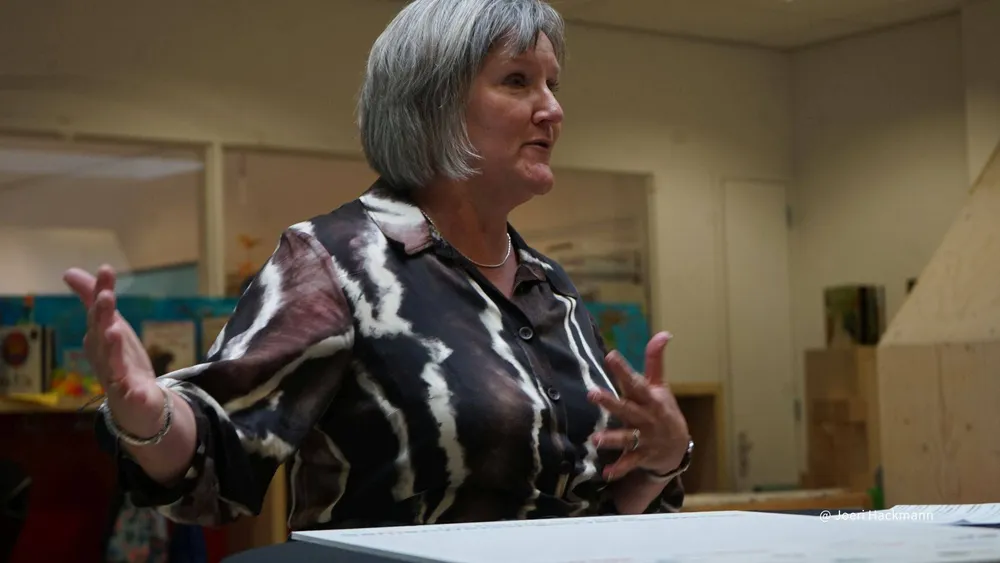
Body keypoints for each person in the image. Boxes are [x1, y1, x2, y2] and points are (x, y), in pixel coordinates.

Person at [62, 0, 693, 531]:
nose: (551, 108)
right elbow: (222, 453)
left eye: (553, 84)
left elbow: (594, 510)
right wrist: (149, 415)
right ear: (433, 103)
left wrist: (662, 458)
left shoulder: (548, 285)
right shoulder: (337, 259)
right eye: (518, 80)